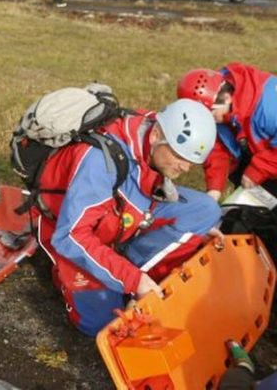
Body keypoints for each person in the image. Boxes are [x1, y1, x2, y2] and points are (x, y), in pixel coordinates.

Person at [32, 98, 221, 336]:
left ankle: (127, 264)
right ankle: (78, 272)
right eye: (180, 156)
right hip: (72, 231)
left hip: (119, 214)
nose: (185, 168)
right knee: (104, 324)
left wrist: (196, 231)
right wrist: (135, 281)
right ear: (156, 136)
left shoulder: (151, 129)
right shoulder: (99, 162)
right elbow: (69, 236)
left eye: (192, 162)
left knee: (206, 212)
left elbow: (141, 188)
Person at [177, 65, 277, 201]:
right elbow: (218, 149)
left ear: (226, 97)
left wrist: (257, 171)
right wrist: (214, 190)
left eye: (210, 113)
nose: (208, 120)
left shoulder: (267, 107)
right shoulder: (221, 110)